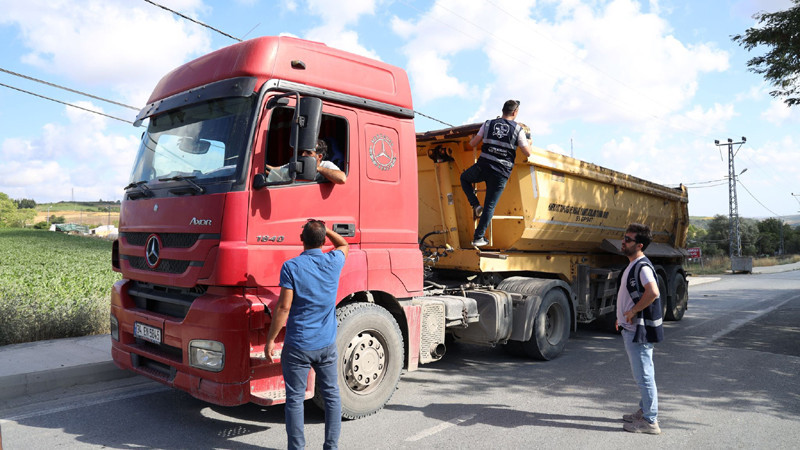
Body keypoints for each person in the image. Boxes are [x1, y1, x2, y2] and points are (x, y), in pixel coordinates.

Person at [265, 219, 349, 449]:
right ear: (323, 241)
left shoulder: (291, 267)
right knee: (332, 397)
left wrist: (271, 340)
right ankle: (331, 446)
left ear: (301, 239)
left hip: (299, 346)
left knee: (295, 399)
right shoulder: (334, 261)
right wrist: (325, 229)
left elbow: (283, 308)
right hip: (326, 345)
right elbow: (344, 245)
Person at [461, 99, 532, 247]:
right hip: (500, 172)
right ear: (515, 112)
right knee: (490, 206)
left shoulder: (487, 124)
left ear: (503, 110)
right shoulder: (518, 130)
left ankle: (475, 204)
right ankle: (478, 237)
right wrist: (528, 142)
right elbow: (527, 153)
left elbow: (473, 143)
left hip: (483, 166)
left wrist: (475, 138)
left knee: (464, 178)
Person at [616, 223, 664, 435]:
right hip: (630, 327)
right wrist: (622, 316)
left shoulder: (642, 266)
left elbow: (652, 292)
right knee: (643, 374)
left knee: (644, 376)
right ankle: (645, 410)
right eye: (624, 237)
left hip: (638, 331)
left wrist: (633, 311)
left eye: (628, 239)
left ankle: (650, 421)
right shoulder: (633, 264)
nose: (623, 241)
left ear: (640, 245)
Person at [267, 139, 347, 184]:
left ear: (319, 156)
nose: (303, 154)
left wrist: (317, 168)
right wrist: (262, 166)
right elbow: (275, 170)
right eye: (303, 152)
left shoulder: (326, 165)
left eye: (308, 153)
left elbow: (342, 178)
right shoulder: (299, 163)